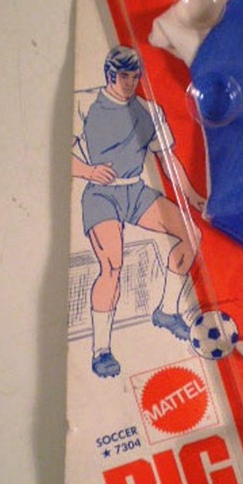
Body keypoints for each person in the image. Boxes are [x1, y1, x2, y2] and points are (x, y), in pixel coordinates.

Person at [72, 46, 205, 378]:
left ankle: (167, 311)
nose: (130, 83)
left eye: (135, 76)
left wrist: (192, 197)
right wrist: (89, 171)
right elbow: (61, 152)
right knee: (112, 265)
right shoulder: (84, 103)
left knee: (191, 235)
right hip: (101, 195)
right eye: (124, 76)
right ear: (110, 75)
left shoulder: (149, 111)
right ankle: (101, 350)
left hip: (135, 190)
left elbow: (168, 160)